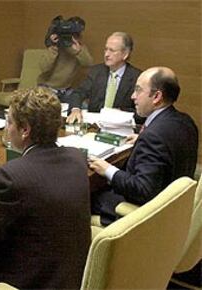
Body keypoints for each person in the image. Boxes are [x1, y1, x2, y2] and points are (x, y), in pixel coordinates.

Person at [0, 87, 91, 289]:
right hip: (72, 276)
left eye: (10, 122)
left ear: (25, 130)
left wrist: (6, 182)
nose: (8, 128)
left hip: (30, 281)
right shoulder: (77, 158)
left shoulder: (12, 177)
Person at [89, 66, 198, 226]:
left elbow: (143, 189)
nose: (133, 96)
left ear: (156, 97)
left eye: (138, 90)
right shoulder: (185, 122)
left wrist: (108, 170)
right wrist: (142, 138)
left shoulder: (154, 136)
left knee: (80, 196)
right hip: (174, 206)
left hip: (144, 214)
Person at [67, 31, 141, 124]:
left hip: (120, 128)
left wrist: (120, 114)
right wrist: (75, 109)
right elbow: (78, 93)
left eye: (112, 50)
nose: (106, 54)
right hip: (94, 126)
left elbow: (142, 113)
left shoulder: (137, 78)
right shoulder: (96, 71)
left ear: (125, 54)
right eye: (106, 49)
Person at [37, 16, 93, 103]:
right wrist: (54, 47)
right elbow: (44, 68)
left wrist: (78, 51)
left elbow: (88, 63)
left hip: (66, 90)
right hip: (47, 88)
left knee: (81, 107)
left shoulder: (78, 47)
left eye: (77, 34)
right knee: (47, 110)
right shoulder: (55, 46)